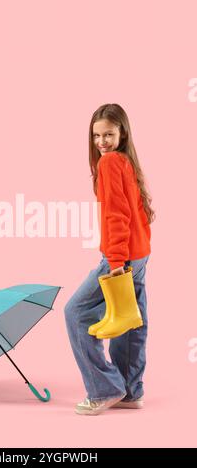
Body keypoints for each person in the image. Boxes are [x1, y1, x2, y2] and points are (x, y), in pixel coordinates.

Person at [64, 103, 155, 415]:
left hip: (122, 256)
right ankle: (130, 391)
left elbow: (118, 214)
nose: (101, 141)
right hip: (139, 253)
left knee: (76, 312)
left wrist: (115, 260)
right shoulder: (126, 161)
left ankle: (105, 389)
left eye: (108, 134)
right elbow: (137, 211)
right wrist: (134, 252)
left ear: (122, 133)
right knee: (131, 321)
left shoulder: (109, 163)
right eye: (96, 135)